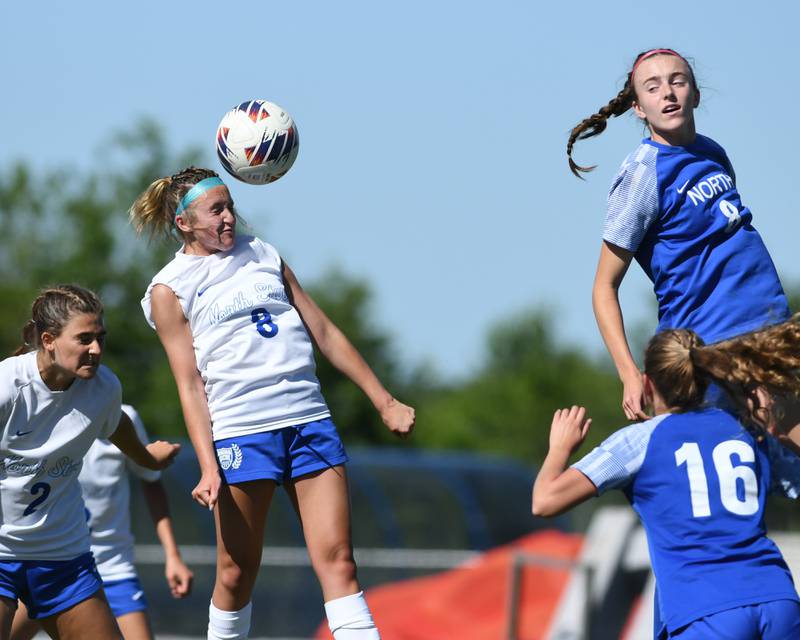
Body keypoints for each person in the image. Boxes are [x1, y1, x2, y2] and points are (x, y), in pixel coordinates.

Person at [129, 167, 416, 640]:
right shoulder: (169, 288)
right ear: (184, 223)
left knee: (340, 562)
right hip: (243, 432)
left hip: (309, 420)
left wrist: (384, 400)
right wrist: (207, 466)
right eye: (215, 210)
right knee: (235, 574)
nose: (228, 218)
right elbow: (189, 384)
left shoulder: (263, 253)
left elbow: (322, 331)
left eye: (230, 206)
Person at [532, 317, 800, 639]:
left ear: (647, 384)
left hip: (706, 609)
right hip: (778, 600)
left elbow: (545, 501)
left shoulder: (639, 441)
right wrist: (779, 431)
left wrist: (559, 449)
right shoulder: (745, 431)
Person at [566, 48, 790, 420]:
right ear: (638, 108)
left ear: (695, 94)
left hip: (769, 326)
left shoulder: (712, 153)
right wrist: (629, 375)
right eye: (652, 88)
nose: (667, 93)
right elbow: (603, 288)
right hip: (708, 345)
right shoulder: (641, 175)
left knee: (789, 465)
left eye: (677, 81)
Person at [0, 285, 180, 640]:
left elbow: (119, 427)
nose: (96, 350)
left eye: (100, 338)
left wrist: (149, 457)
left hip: (63, 556)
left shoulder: (104, 389)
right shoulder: (7, 387)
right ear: (49, 339)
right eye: (84, 339)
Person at [10, 404, 194, 640]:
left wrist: (173, 556)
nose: (91, 367)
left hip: (113, 569)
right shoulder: (39, 417)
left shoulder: (122, 416)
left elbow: (151, 479)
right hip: (56, 568)